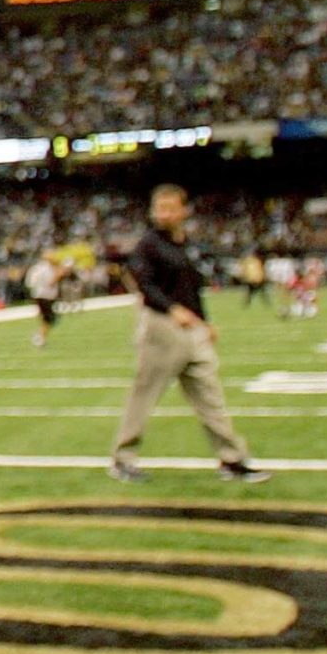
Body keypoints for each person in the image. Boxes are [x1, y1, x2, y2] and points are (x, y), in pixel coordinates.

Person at [109, 185, 267, 484]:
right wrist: (172, 309)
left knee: (210, 395)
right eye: (160, 208)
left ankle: (231, 458)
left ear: (184, 210)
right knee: (146, 394)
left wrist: (205, 322)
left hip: (190, 327)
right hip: (160, 325)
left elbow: (192, 289)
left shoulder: (186, 244)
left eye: (170, 207)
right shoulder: (148, 244)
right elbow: (144, 284)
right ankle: (123, 459)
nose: (164, 213)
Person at [24, 254, 62, 349]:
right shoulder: (48, 269)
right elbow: (51, 282)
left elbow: (29, 283)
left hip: (37, 294)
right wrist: (59, 275)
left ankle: (40, 336)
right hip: (46, 295)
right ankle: (39, 337)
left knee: (47, 318)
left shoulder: (35, 268)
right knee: (50, 318)